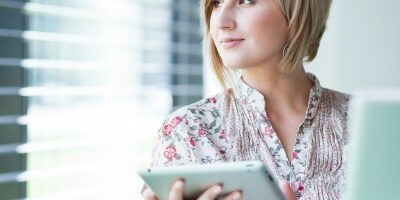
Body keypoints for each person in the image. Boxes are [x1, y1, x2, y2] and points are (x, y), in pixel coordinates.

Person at [142, 0, 350, 199]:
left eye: (246, 0)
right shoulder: (185, 131)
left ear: (298, 9)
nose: (221, 21)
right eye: (216, 2)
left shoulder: (366, 125)